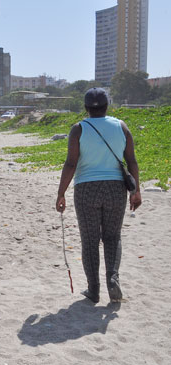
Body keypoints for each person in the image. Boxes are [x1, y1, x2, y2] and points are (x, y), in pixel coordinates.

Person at [56, 87, 142, 303]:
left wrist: (61, 193)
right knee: (113, 237)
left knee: (90, 240)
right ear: (107, 106)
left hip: (86, 189)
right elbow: (131, 161)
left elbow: (71, 163)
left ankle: (93, 290)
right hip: (115, 189)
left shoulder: (78, 129)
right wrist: (136, 191)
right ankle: (112, 278)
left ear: (86, 108)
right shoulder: (121, 126)